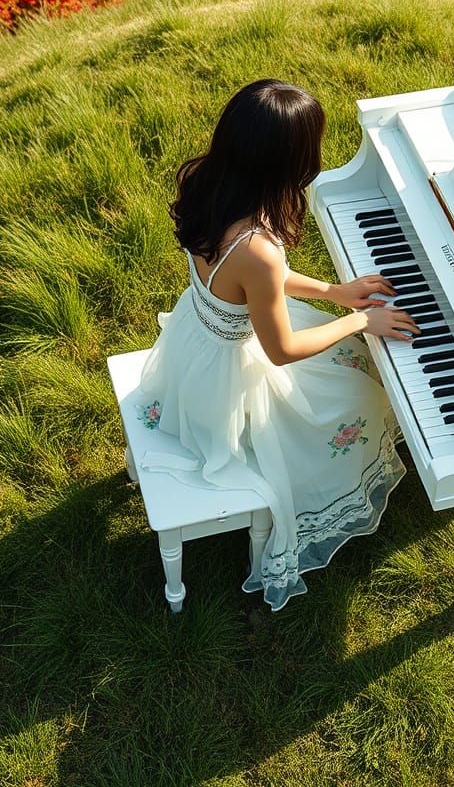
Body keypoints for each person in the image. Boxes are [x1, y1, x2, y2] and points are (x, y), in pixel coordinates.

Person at [137, 79, 420, 611]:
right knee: (363, 397)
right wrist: (360, 322)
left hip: (195, 341)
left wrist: (334, 292)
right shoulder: (257, 250)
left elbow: (256, 282)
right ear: (289, 161)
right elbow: (282, 350)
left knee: (349, 364)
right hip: (229, 382)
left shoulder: (206, 179)